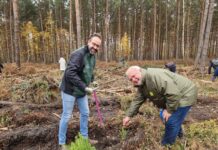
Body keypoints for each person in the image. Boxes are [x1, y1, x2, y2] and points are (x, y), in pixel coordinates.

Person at [123, 66, 197, 146]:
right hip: (172, 97)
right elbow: (137, 100)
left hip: (185, 95)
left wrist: (169, 110)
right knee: (163, 115)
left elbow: (173, 94)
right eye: (131, 79)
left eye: (134, 76)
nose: (133, 79)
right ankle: (179, 134)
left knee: (171, 121)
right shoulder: (143, 83)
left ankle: (166, 145)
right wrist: (128, 116)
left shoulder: (155, 76)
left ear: (140, 71)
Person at [58, 33, 102, 148]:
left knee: (85, 113)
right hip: (70, 90)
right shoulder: (78, 54)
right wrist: (85, 87)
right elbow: (69, 73)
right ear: (88, 41)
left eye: (98, 46)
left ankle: (84, 138)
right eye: (93, 44)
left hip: (82, 91)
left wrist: (93, 81)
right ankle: (62, 143)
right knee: (67, 116)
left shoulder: (92, 56)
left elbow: (89, 71)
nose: (95, 47)